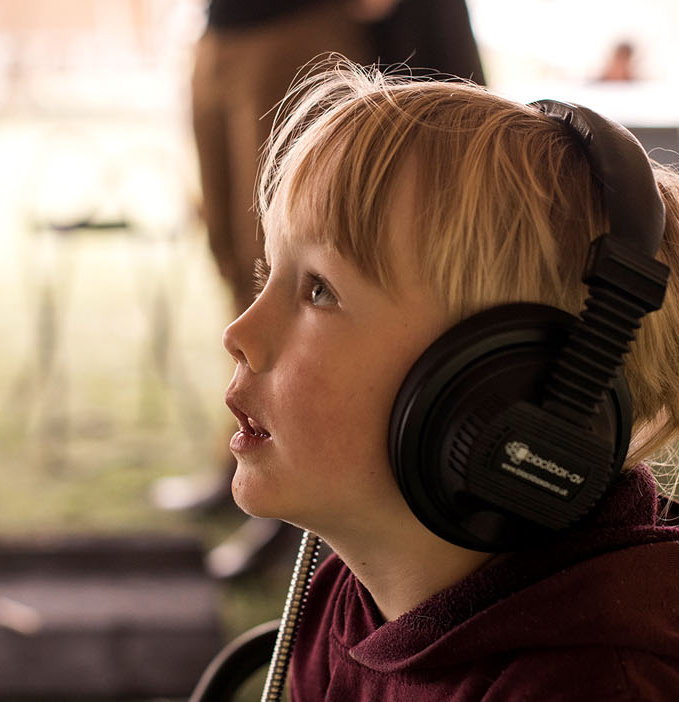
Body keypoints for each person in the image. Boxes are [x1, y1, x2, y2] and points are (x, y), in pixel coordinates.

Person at [224, 63, 679, 702]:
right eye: (268, 274)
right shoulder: (339, 608)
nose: (240, 332)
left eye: (319, 289)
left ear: (497, 389)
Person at [169, 0, 484, 578]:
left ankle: (294, 498)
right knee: (236, 259)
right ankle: (244, 446)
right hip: (220, 29)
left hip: (296, 26)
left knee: (295, 261)